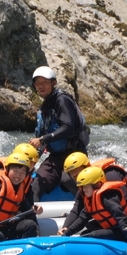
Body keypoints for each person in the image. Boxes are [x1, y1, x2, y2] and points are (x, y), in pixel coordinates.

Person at [28, 66, 90, 201]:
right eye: (37, 83)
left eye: (44, 82)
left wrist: (43, 139)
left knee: (67, 179)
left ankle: (88, 208)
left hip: (75, 152)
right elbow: (44, 135)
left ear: (53, 83)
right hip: (56, 156)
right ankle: (31, 217)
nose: (40, 86)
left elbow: (68, 128)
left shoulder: (62, 100)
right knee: (37, 183)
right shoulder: (45, 107)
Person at [57, 166, 127, 250]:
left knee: (90, 235)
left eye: (86, 186)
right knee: (85, 232)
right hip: (112, 227)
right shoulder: (91, 200)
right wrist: (66, 234)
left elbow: (120, 217)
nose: (83, 190)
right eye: (82, 187)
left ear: (97, 185)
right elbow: (81, 219)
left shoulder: (108, 198)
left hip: (124, 228)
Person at [62, 152, 127, 216]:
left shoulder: (109, 177)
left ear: (86, 167)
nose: (76, 177)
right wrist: (66, 228)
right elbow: (77, 209)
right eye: (72, 175)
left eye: (77, 172)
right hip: (116, 210)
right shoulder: (85, 185)